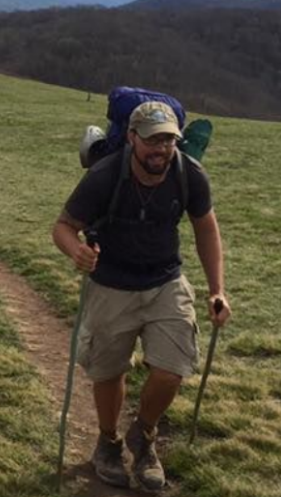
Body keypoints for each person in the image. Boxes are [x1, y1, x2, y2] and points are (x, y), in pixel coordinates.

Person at [51, 101, 231, 491]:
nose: (161, 149)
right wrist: (76, 250)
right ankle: (108, 442)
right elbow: (63, 227)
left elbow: (206, 230)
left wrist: (217, 289)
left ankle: (143, 436)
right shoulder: (104, 177)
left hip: (165, 281)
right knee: (108, 371)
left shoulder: (189, 175)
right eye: (152, 140)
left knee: (171, 369)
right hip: (110, 284)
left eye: (168, 140)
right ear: (132, 138)